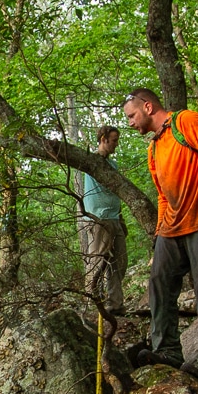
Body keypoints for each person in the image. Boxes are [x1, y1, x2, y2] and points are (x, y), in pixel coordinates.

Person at [122, 88, 198, 379]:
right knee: (159, 286)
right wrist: (160, 230)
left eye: (132, 116)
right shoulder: (154, 149)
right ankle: (167, 351)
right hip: (171, 228)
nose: (130, 123)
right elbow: (162, 196)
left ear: (148, 107)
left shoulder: (186, 122)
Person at [78, 124, 127, 319]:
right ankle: (92, 305)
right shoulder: (90, 160)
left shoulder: (113, 165)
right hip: (98, 219)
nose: (116, 144)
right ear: (103, 139)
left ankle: (115, 304)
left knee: (119, 262)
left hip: (114, 218)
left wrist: (121, 216)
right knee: (98, 262)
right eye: (113, 140)